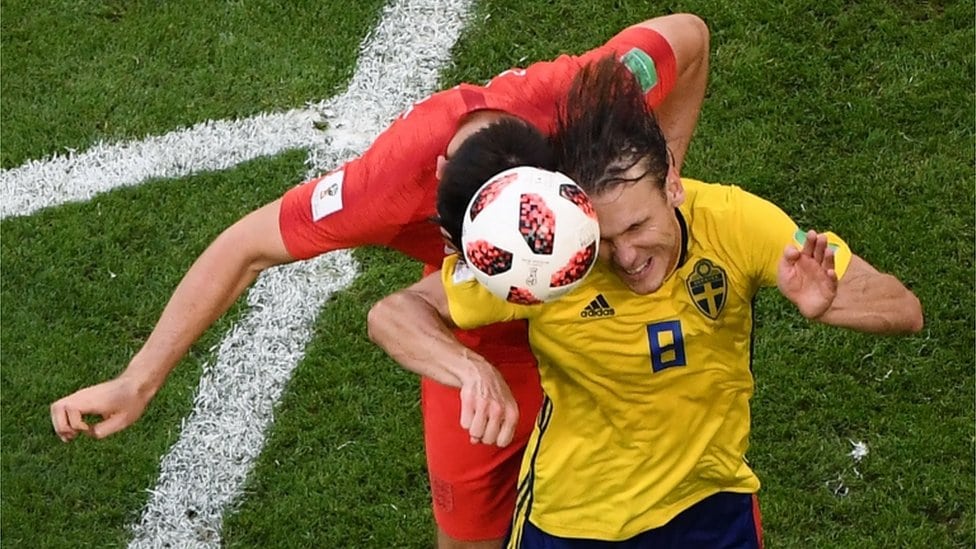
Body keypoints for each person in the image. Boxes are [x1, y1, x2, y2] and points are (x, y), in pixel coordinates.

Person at [48, 14, 711, 548]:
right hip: (480, 336)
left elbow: (689, 35)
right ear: (441, 195)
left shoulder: (588, 99)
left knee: (658, 498)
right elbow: (243, 247)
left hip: (604, 305)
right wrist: (139, 380)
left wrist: (662, 182)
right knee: (470, 530)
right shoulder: (387, 182)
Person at [366, 56, 924, 546]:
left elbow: (905, 309)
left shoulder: (737, 224)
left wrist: (832, 306)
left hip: (711, 504)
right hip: (573, 524)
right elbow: (392, 314)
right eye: (604, 240)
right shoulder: (554, 254)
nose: (627, 256)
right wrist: (470, 369)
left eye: (637, 227)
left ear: (672, 185)